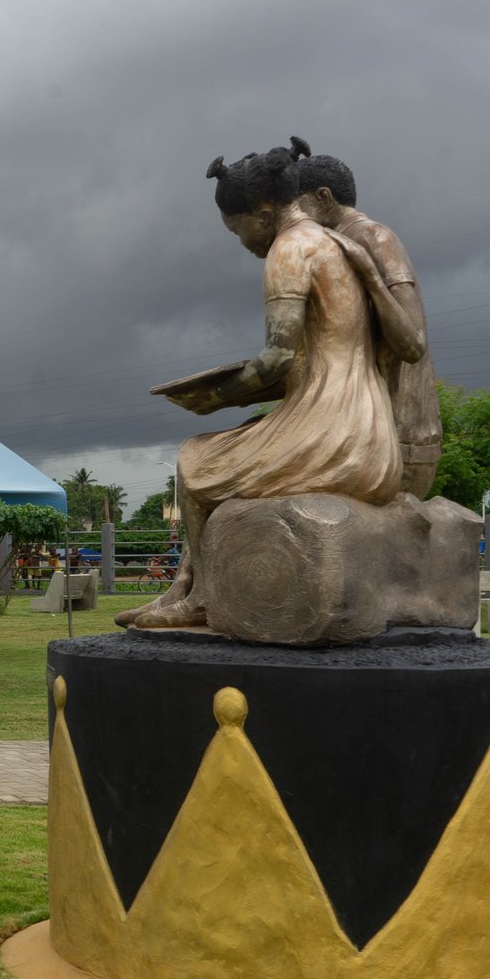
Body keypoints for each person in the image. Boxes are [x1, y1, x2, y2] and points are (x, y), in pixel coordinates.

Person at [122, 141, 400, 630]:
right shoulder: (335, 243)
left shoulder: (289, 250)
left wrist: (215, 396)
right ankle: (183, 588)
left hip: (333, 430)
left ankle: (201, 599)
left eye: (238, 229)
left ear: (264, 213)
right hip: (375, 433)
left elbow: (277, 357)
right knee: (240, 440)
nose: (242, 242)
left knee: (193, 461)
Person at [293, 143, 439, 498]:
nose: (295, 218)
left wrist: (371, 278)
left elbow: (412, 344)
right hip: (358, 430)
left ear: (323, 196)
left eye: (298, 206)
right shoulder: (335, 243)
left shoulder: (374, 238)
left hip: (396, 440)